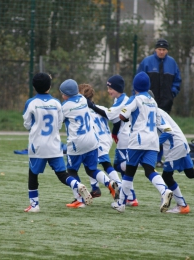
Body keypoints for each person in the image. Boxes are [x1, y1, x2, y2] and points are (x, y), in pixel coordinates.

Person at [22, 73, 93, 213]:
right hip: (54, 146)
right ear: (49, 86)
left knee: (33, 174)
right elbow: (60, 123)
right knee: (62, 174)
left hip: (38, 147)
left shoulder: (31, 103)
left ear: (34, 87)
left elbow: (27, 124)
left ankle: (34, 205)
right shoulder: (56, 103)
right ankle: (77, 184)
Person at [111, 71, 173, 213]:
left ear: (135, 86)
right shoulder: (153, 101)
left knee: (129, 172)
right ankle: (164, 191)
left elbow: (122, 115)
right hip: (152, 141)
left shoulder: (135, 99)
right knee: (149, 170)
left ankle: (121, 203)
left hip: (137, 140)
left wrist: (126, 117)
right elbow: (163, 125)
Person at [59, 79, 119, 208]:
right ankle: (109, 183)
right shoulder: (82, 99)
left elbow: (59, 123)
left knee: (71, 171)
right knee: (92, 169)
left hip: (77, 143)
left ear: (65, 94)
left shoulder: (65, 107)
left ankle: (79, 200)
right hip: (92, 140)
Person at [149, 90, 194, 214]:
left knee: (166, 176)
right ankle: (182, 205)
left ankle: (182, 205)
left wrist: (155, 144)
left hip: (175, 147)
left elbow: (168, 132)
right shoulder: (158, 111)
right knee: (190, 173)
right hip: (182, 143)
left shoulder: (155, 114)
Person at [86, 75, 138, 206]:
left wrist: (92, 106)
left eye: (111, 88)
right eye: (108, 88)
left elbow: (109, 114)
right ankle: (129, 196)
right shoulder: (118, 99)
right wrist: (114, 132)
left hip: (126, 137)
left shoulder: (123, 101)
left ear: (118, 88)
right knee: (117, 166)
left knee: (122, 167)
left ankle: (128, 196)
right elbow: (116, 119)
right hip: (122, 136)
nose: (109, 91)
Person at [137, 38, 182, 167]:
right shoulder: (147, 62)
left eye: (164, 50)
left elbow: (177, 81)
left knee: (163, 131)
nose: (161, 52)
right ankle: (145, 157)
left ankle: (159, 159)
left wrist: (171, 94)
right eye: (159, 49)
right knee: (148, 129)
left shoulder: (172, 63)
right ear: (155, 50)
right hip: (148, 103)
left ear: (167, 51)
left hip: (165, 104)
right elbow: (138, 79)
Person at [78, 83, 122, 200]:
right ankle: (96, 188)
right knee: (104, 164)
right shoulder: (101, 108)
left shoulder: (84, 111)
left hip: (96, 141)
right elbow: (114, 118)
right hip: (107, 140)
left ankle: (118, 186)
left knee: (91, 165)